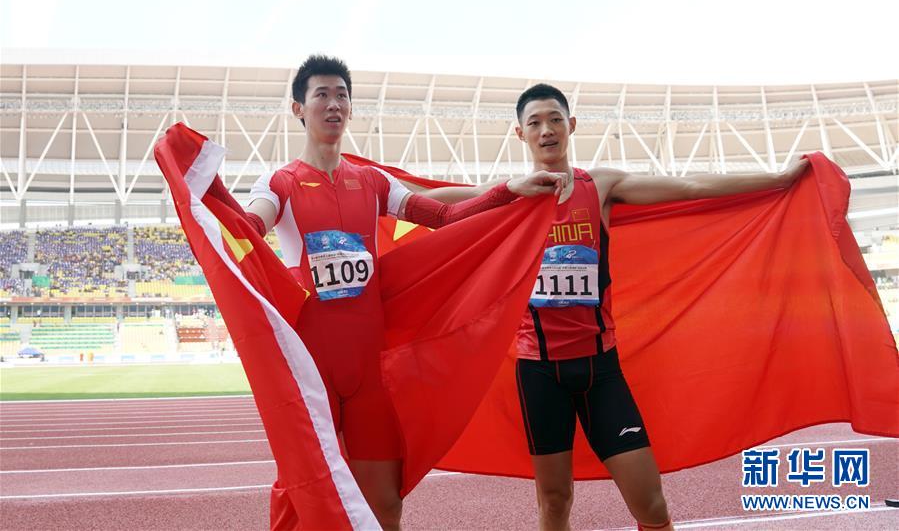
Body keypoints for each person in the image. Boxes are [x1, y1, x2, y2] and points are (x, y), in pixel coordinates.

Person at [411, 83, 808, 531]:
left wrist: (778, 179)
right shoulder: (508, 196)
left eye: (555, 119)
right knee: (555, 502)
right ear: (520, 134)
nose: (546, 130)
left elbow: (690, 185)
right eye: (535, 123)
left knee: (650, 503)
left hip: (601, 370)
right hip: (539, 373)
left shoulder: (599, 186)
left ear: (571, 125)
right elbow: (426, 204)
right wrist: (368, 185)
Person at [239, 56, 567, 530]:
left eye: (341, 95)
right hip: (312, 369)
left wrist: (509, 189)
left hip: (369, 369)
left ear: (350, 108)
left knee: (386, 503)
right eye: (321, 95)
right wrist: (214, 216)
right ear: (298, 109)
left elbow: (446, 217)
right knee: (302, 496)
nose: (333, 105)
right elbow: (251, 225)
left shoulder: (373, 183)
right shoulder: (280, 182)